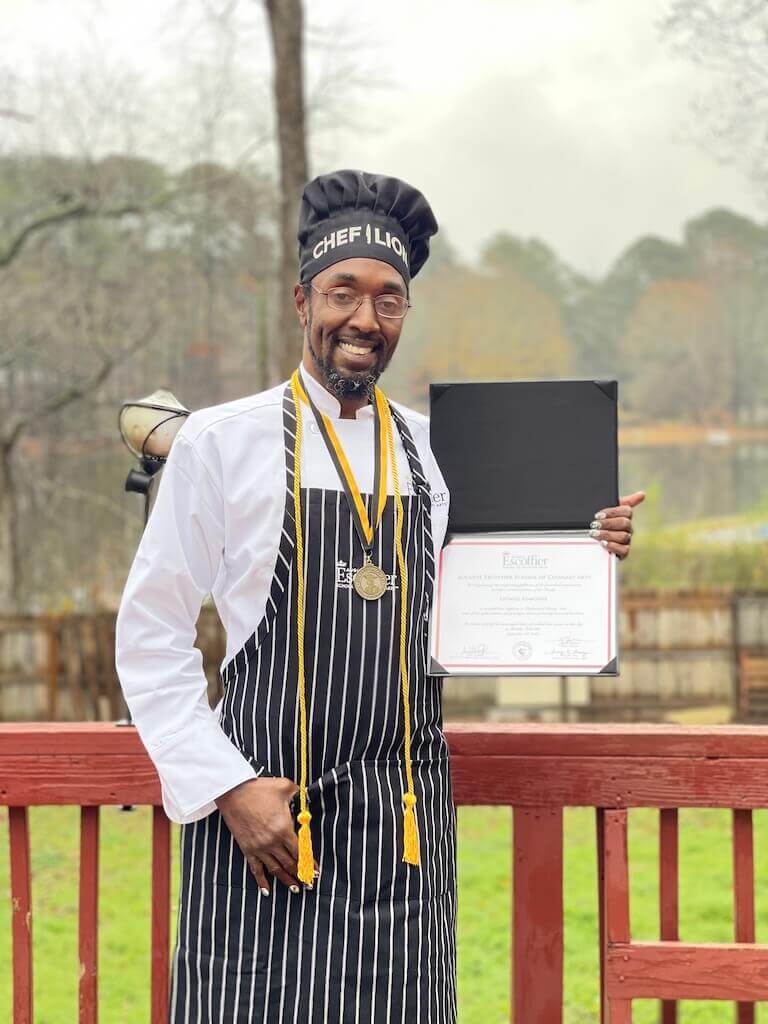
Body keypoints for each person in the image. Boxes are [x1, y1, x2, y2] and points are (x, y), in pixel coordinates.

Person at [115, 169, 643, 1023]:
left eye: (389, 299)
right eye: (343, 292)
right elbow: (151, 635)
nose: (364, 319)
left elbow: (506, 580)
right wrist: (227, 786)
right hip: (264, 820)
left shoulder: (439, 454)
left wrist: (594, 544)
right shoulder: (221, 443)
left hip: (402, 830)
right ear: (302, 300)